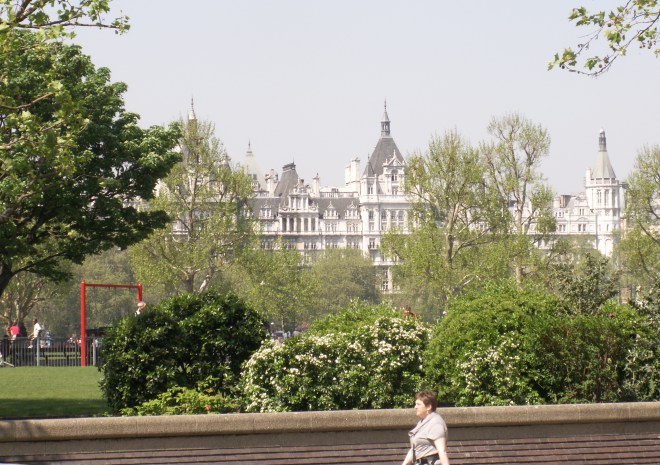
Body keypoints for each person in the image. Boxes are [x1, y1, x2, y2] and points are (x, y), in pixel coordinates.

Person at [401, 390, 451, 465]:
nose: (415, 407)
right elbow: (414, 449)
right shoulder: (422, 423)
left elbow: (442, 451)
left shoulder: (436, 423)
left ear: (428, 407)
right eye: (415, 404)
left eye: (418, 404)